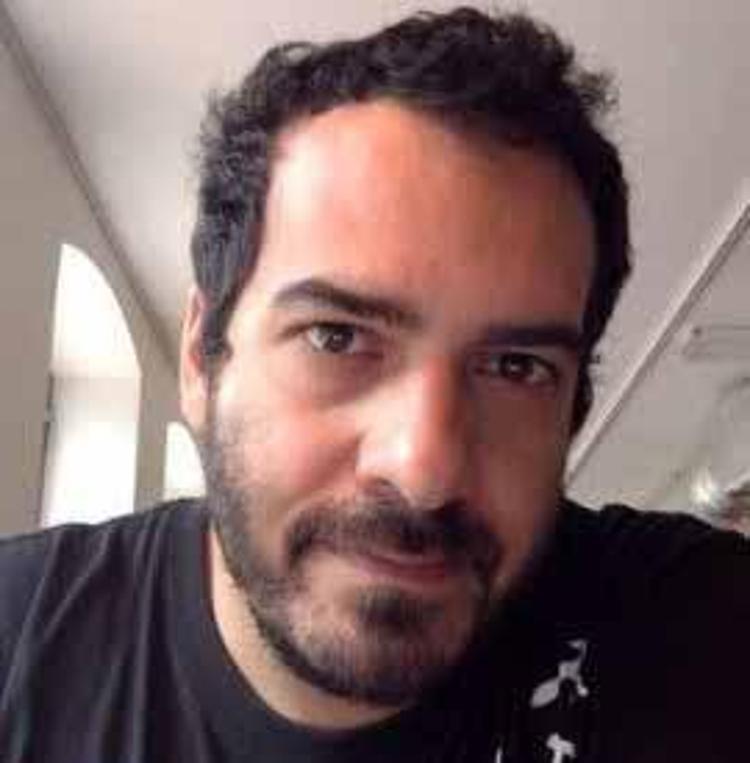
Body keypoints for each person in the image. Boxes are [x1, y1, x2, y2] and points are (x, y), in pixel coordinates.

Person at [1, 7, 748, 762]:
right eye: (337, 336)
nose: (424, 470)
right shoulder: (17, 642)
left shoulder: (693, 630)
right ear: (202, 355)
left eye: (516, 367)